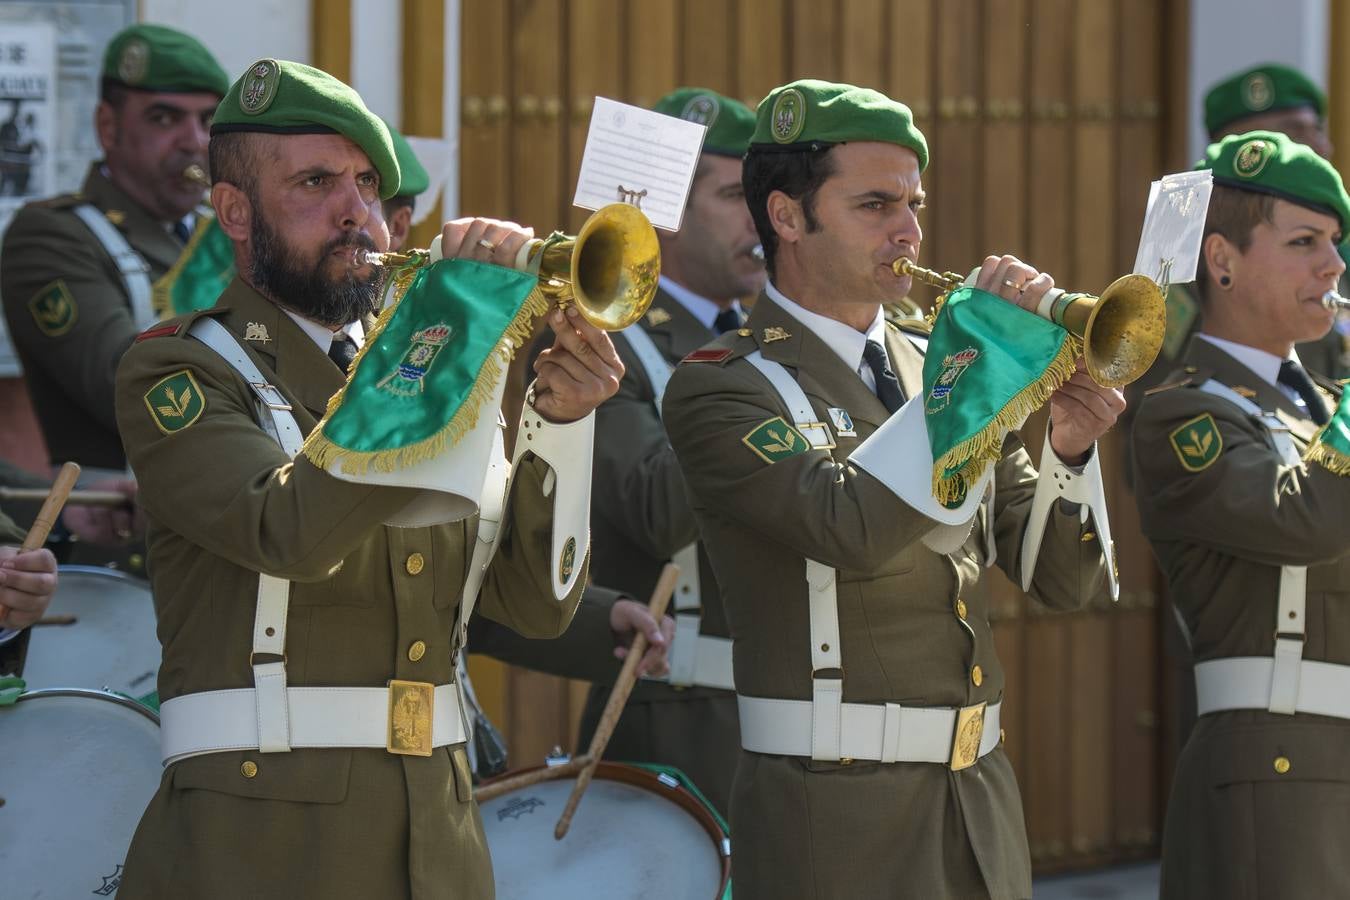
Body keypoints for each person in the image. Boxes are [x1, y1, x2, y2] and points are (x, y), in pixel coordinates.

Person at [111, 60, 623, 899]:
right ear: (234, 212)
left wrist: (563, 422)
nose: (359, 213)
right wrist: (436, 337)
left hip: (439, 833)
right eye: (316, 182)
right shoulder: (181, 366)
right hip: (261, 840)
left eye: (367, 183)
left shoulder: (425, 375)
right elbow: (289, 532)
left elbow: (535, 605)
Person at [661, 79, 1120, 899]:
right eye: (875, 204)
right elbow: (846, 528)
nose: (908, 230)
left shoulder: (932, 365)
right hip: (834, 813)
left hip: (979, 797)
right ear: (788, 217)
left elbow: (1061, 579)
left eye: (913, 202)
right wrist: (969, 380)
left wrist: (1068, 452)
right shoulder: (724, 382)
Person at [380, 122, 674, 777]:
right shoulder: (237, 364)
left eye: (393, 216)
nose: (379, 234)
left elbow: (461, 579)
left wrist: (599, 620)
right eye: (319, 187)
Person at [522, 86, 761, 813]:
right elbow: (657, 512)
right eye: (735, 198)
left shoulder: (763, 338)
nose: (762, 222)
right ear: (666, 214)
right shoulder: (599, 343)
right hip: (677, 714)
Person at [1132, 130, 1350, 899]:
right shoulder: (1183, 412)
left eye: (1333, 243)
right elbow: (1307, 524)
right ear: (1221, 260)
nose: (1333, 266)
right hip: (1279, 766)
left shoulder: (1324, 405)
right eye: (1304, 242)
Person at [1, 24, 229, 476]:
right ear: (108, 127)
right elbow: (128, 384)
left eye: (207, 121)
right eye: (164, 118)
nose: (194, 142)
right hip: (125, 534)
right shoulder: (52, 235)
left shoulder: (225, 232)